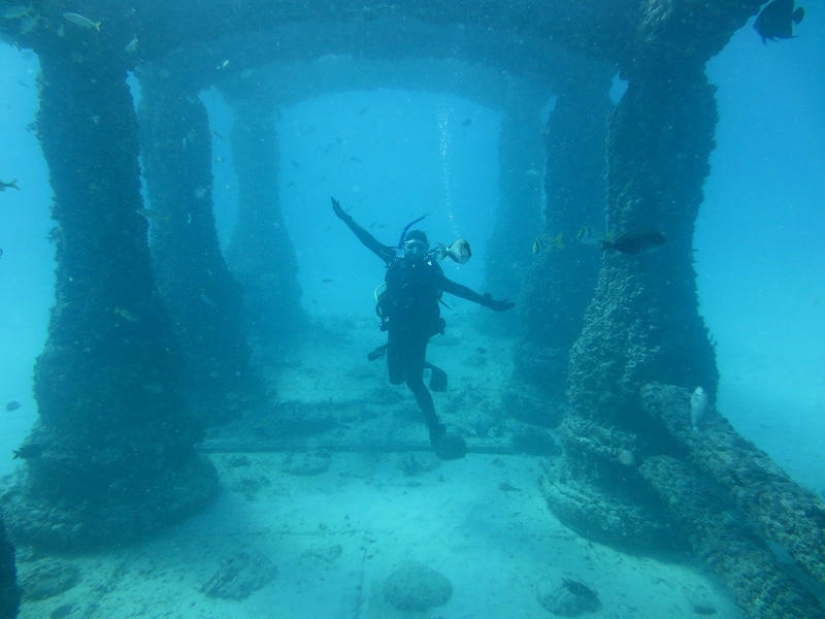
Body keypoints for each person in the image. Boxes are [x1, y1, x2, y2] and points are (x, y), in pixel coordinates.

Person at [331, 197, 514, 460]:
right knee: (395, 379)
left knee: (413, 381)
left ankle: (435, 428)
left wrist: (490, 303)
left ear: (427, 249)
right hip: (396, 327)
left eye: (420, 247)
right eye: (411, 246)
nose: (415, 250)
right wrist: (344, 218)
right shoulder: (393, 259)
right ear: (404, 247)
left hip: (419, 331)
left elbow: (459, 290)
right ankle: (422, 364)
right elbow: (366, 239)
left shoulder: (431, 272)